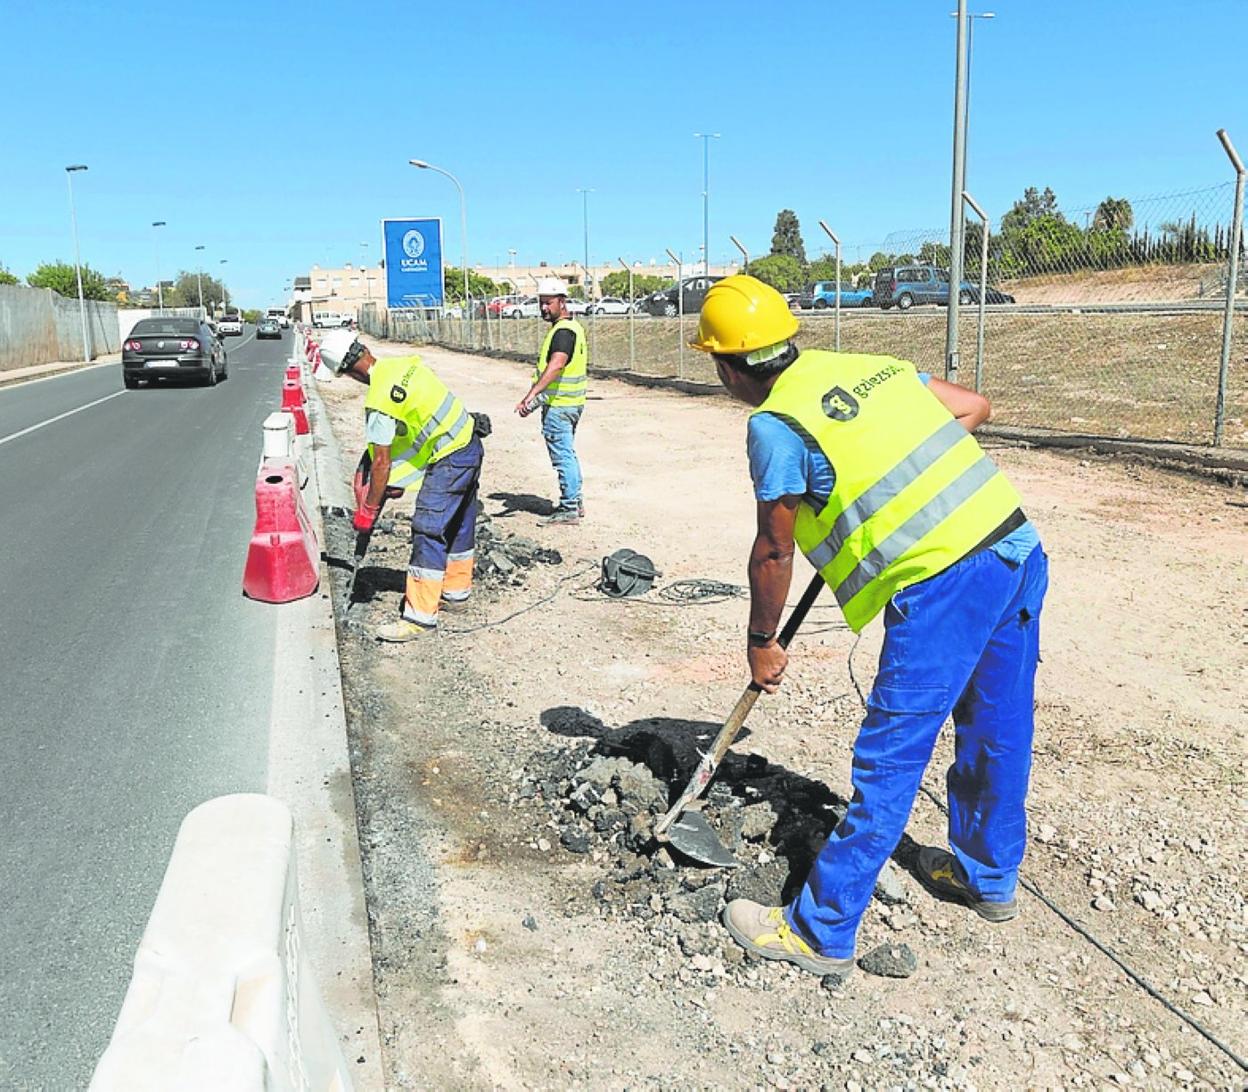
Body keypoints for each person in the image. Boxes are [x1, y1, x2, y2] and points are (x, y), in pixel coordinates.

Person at [690, 276, 1049, 979]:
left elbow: (774, 549)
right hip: (1015, 548)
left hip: (944, 584)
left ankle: (821, 929)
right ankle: (986, 877)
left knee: (891, 757)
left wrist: (761, 643)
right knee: (998, 724)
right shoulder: (864, 367)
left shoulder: (774, 426)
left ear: (727, 368)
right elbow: (972, 407)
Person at [316, 330, 487, 642]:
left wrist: (368, 510)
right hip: (469, 441)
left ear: (348, 373)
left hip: (450, 457)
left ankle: (419, 617)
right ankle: (455, 593)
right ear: (363, 348)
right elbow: (418, 422)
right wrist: (400, 479)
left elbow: (381, 463)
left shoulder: (379, 402)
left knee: (428, 528)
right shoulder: (404, 365)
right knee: (460, 522)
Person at [514, 277, 587, 524]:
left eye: (548, 303)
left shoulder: (563, 332)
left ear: (562, 302)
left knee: (563, 457)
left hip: (560, 407)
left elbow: (556, 365)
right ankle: (575, 502)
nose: (544, 308)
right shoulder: (572, 328)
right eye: (541, 303)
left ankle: (569, 508)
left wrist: (531, 395)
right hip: (569, 404)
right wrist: (535, 403)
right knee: (568, 454)